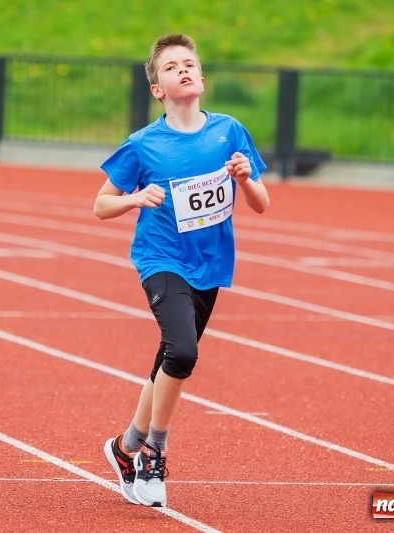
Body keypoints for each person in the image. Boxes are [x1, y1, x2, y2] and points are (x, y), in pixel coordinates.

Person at [94, 33, 269, 507]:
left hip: (210, 263)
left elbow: (261, 204)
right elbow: (100, 204)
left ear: (203, 78)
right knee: (183, 351)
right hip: (161, 258)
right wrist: (135, 197)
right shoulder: (144, 145)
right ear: (158, 89)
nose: (183, 71)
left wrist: (246, 179)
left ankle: (123, 446)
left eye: (189, 64)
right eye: (171, 67)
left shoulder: (229, 132)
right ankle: (155, 450)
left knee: (168, 359)